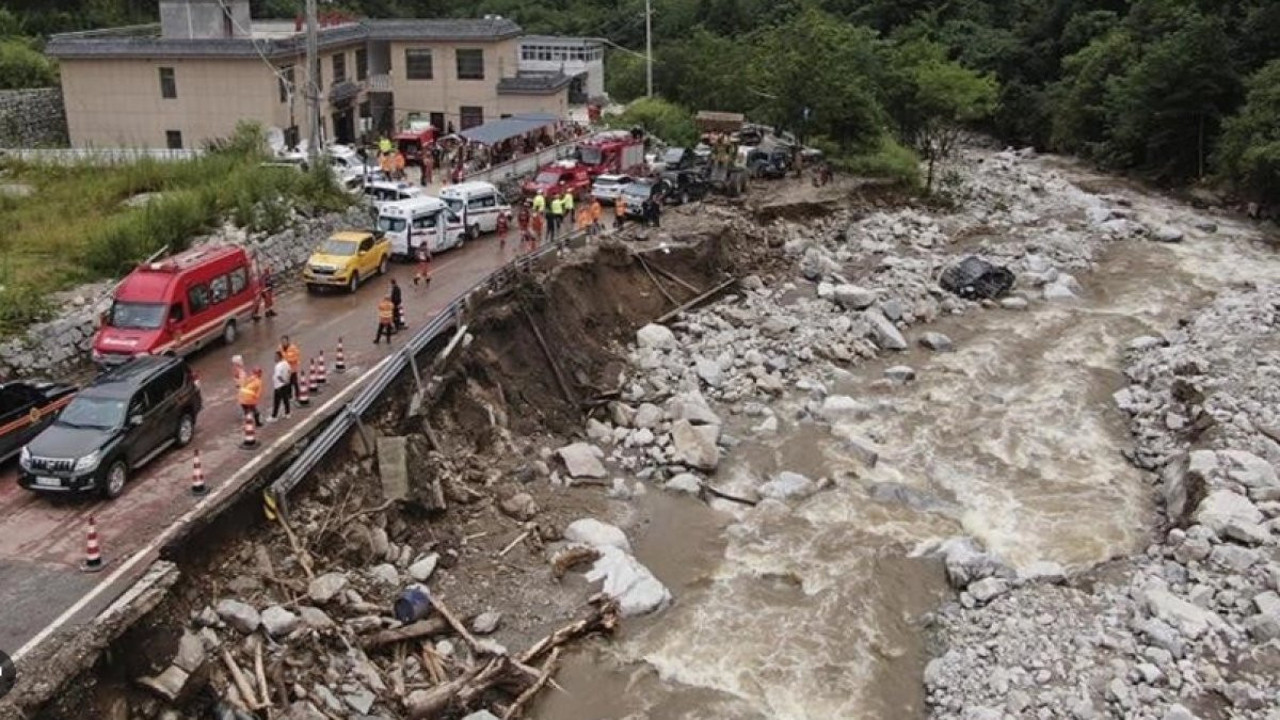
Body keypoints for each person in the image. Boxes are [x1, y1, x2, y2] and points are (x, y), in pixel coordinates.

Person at [270, 350, 292, 422]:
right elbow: (289, 371)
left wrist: (284, 381)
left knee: (276, 402)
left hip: (279, 386)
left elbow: (278, 376)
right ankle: (287, 413)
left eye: (275, 357)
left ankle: (274, 416)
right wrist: (288, 380)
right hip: (285, 385)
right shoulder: (286, 363)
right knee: (286, 399)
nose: (274, 358)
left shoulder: (278, 366)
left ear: (279, 357)